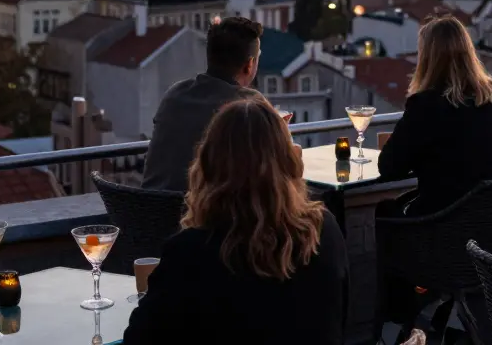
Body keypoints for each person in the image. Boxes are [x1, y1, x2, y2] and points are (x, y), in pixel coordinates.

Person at [123, 94, 349, 344]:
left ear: (208, 166)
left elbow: (138, 338)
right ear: (289, 162)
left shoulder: (189, 254)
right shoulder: (324, 231)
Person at [379, 16, 492, 216]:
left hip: (443, 221)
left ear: (427, 59)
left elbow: (389, 167)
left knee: (385, 211)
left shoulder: (425, 105)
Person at [142, 16, 262, 191]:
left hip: (147, 205)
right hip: (198, 208)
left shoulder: (175, 94)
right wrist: (273, 128)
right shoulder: (249, 104)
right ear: (249, 65)